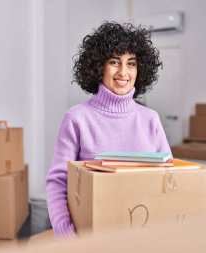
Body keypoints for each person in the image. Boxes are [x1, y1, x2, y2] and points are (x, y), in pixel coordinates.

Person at [46, 21, 171, 238]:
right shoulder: (77, 119)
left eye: (131, 63)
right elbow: (57, 184)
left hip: (145, 237)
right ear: (98, 66)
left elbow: (169, 181)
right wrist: (67, 236)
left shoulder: (151, 119)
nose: (123, 72)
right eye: (114, 62)